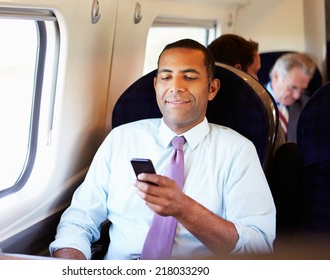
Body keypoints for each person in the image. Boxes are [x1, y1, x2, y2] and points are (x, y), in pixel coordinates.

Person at [49, 39, 276, 260]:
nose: (175, 87)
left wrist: (184, 209)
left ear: (212, 88)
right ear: (156, 85)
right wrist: (71, 262)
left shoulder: (238, 151)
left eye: (189, 77)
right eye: (166, 77)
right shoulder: (121, 139)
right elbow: (79, 219)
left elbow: (257, 248)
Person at [266, 52, 316, 142]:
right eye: (293, 87)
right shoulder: (253, 101)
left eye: (302, 90)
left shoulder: (308, 106)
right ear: (276, 76)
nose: (297, 96)